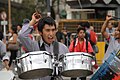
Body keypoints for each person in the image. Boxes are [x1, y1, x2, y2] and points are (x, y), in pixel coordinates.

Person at [18, 12, 69, 80]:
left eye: (53, 30)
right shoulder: (34, 47)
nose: (51, 34)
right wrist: (33, 21)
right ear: (40, 32)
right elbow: (22, 35)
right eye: (47, 30)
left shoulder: (63, 48)